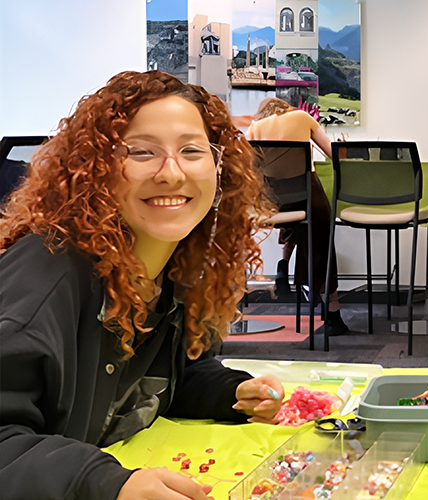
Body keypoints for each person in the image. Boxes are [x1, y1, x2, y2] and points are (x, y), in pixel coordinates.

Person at [0, 71, 287, 500]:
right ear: (95, 167)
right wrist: (105, 484)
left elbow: (168, 376)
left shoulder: (177, 266)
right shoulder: (48, 275)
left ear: (218, 167)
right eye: (141, 152)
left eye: (191, 150)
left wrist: (232, 391)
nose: (171, 173)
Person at [246, 97, 350, 335]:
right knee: (322, 234)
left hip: (272, 202)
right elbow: (333, 155)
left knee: (301, 224)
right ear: (285, 108)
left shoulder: (254, 128)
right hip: (306, 196)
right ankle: (332, 310)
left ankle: (286, 270)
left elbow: (248, 168)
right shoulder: (302, 117)